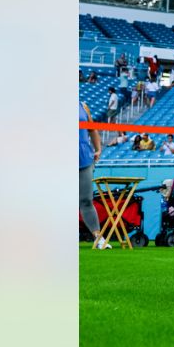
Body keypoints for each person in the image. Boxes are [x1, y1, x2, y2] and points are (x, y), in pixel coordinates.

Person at [79, 101, 109, 249]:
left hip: (83, 159)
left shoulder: (83, 106)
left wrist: (98, 149)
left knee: (86, 200)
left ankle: (98, 238)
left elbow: (92, 130)